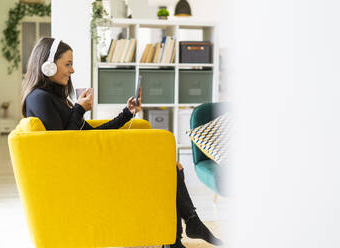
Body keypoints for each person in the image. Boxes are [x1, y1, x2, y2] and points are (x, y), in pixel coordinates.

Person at [21, 37, 222, 248]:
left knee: (168, 167)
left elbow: (89, 133)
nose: (72, 70)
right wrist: (79, 109)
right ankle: (186, 229)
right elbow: (65, 147)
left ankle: (179, 235)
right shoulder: (39, 98)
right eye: (68, 64)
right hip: (82, 172)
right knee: (166, 168)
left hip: (86, 162)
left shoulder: (53, 97)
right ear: (48, 65)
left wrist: (127, 113)